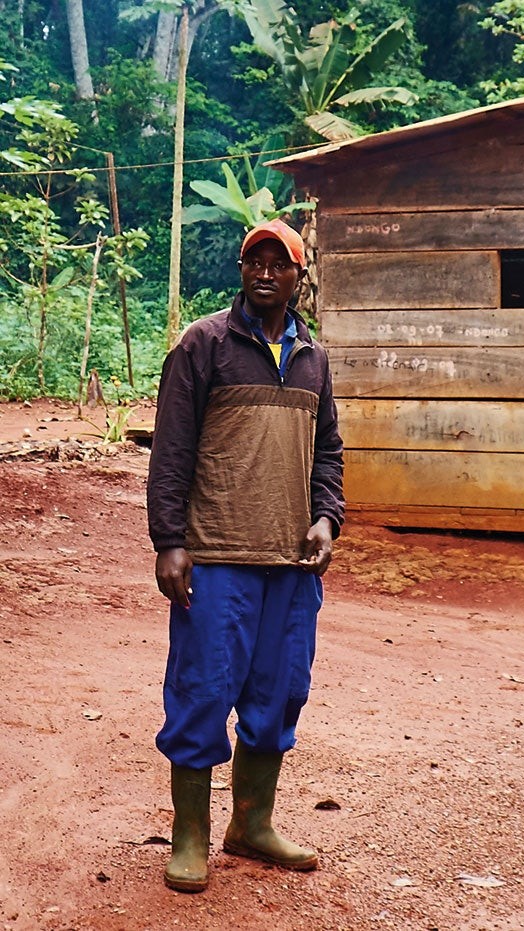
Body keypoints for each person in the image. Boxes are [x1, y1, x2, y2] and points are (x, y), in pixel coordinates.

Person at [147, 218, 344, 893]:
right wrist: (169, 542)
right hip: (217, 557)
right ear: (241, 270)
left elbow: (330, 454)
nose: (265, 273)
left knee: (280, 692)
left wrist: (325, 518)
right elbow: (170, 450)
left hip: (291, 564)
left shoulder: (313, 358)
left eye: (279, 264)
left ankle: (252, 825)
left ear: (298, 275)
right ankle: (191, 838)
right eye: (253, 262)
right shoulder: (204, 345)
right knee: (203, 692)